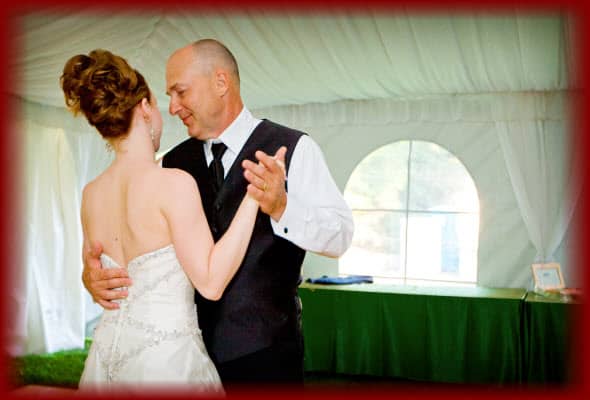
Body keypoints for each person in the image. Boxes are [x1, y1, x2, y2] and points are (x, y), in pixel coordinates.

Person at [82, 39, 354, 387]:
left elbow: (341, 237)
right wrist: (93, 278)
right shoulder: (169, 163)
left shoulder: (295, 148)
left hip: (266, 356)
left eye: (180, 92)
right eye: (167, 95)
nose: (173, 107)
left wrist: (282, 207)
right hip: (180, 359)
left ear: (221, 82)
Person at [61, 49, 267, 394]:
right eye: (158, 104)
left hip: (106, 360)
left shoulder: (91, 194)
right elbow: (212, 282)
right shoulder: (172, 183)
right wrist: (253, 197)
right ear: (144, 107)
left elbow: (94, 270)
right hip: (167, 362)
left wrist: (89, 278)